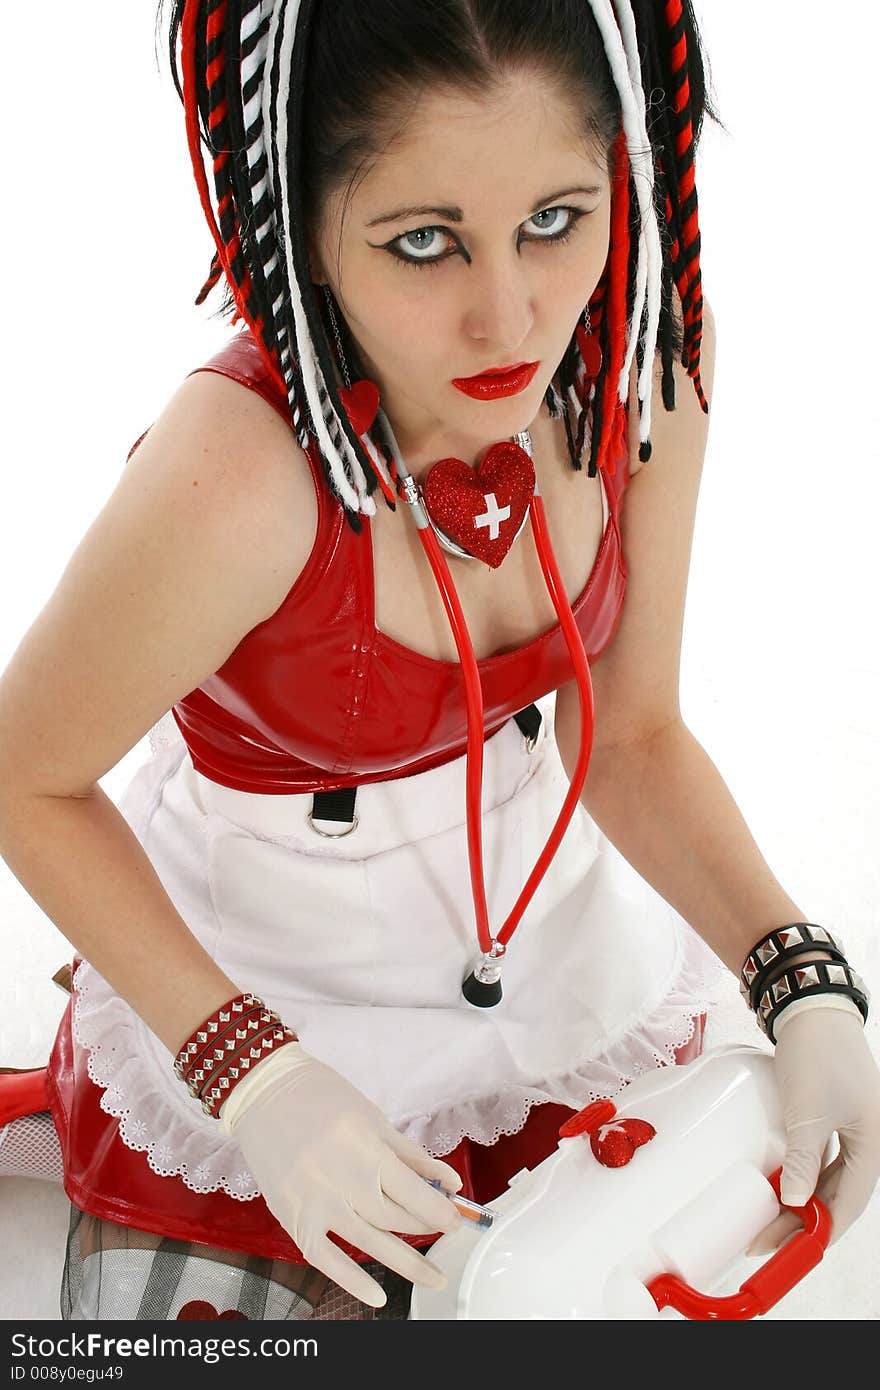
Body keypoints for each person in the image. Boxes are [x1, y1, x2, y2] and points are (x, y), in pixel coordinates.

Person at [0, 0, 877, 1323]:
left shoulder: (641, 366)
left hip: (556, 1006)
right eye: (424, 243)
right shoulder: (234, 477)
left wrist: (800, 972)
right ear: (298, 226)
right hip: (271, 1009)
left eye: (557, 219)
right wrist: (254, 1072)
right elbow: (23, 774)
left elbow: (627, 734)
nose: (510, 315)